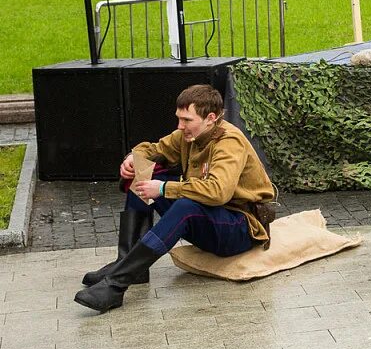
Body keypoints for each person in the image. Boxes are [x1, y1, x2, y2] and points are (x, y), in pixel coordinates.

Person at [74, 84, 277, 312]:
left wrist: (162, 189)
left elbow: (218, 192)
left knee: (185, 206)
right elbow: (153, 150)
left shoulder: (229, 142)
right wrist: (132, 158)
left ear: (210, 118)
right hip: (211, 218)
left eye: (187, 120)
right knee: (144, 171)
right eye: (179, 118)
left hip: (240, 227)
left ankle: (116, 285)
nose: (180, 126)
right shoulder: (187, 134)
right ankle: (130, 264)